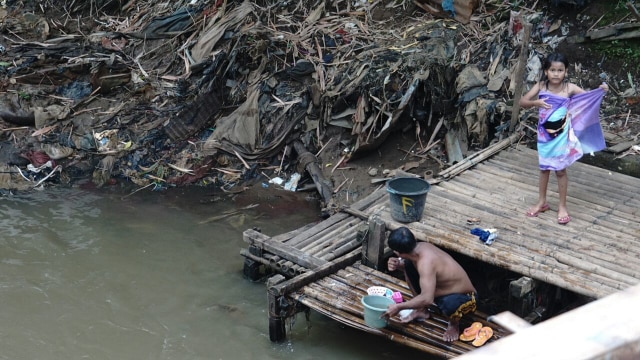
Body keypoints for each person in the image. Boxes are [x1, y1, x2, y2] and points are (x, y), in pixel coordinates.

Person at [519, 52, 608, 225]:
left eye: (560, 70)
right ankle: (541, 202)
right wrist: (535, 103)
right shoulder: (541, 87)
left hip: (561, 138)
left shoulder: (570, 88)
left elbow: (587, 99)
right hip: (544, 137)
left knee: (560, 170)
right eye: (552, 70)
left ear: (566, 71)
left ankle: (562, 206)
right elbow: (523, 102)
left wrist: (600, 91)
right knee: (544, 169)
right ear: (546, 71)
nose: (556, 74)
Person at [381, 227, 477, 342]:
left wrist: (398, 306)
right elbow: (419, 270)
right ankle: (421, 310)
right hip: (441, 289)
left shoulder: (426, 262)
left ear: (398, 252)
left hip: (466, 297)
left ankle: (454, 324)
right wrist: (399, 265)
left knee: (449, 304)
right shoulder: (419, 248)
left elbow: (427, 299)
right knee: (407, 265)